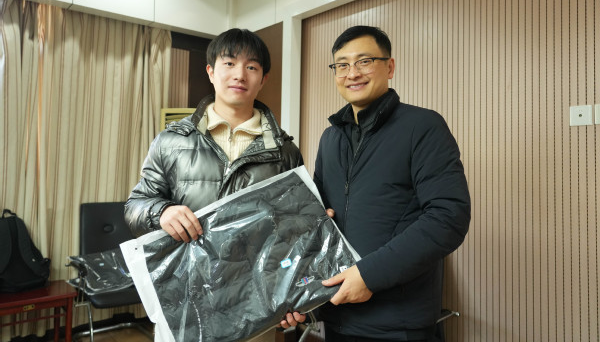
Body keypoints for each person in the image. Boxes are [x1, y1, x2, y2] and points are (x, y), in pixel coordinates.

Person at [289, 25, 471, 341]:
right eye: (342, 65)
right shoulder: (330, 138)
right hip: (336, 317)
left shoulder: (423, 126)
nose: (352, 73)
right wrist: (300, 295)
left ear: (389, 67)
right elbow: (319, 220)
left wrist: (369, 276)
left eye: (364, 61)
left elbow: (448, 217)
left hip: (398, 325)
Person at [125, 28, 304, 341]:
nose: (240, 74)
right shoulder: (171, 141)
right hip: (183, 303)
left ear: (263, 79)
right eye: (229, 63)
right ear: (210, 71)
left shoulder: (285, 151)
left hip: (255, 309)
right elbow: (135, 207)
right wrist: (161, 212)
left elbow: (296, 232)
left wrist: (293, 294)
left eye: (251, 67)